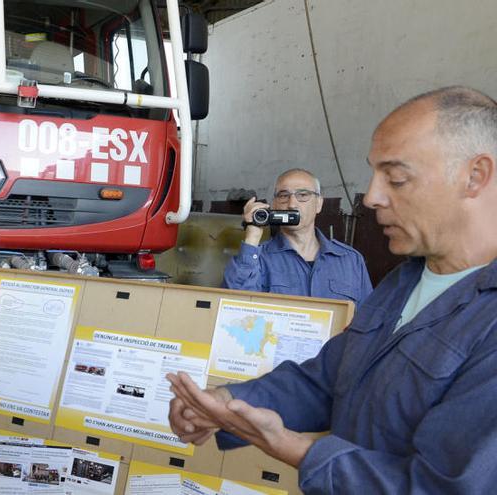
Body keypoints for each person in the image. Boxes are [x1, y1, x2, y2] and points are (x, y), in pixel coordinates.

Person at [168, 86, 497, 493]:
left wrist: (299, 451)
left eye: (396, 178)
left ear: (475, 176)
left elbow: (442, 487)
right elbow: (326, 380)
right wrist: (223, 402)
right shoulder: (404, 279)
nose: (373, 197)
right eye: (375, 176)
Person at [222, 168, 372, 304]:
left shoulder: (351, 260)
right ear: (274, 205)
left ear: (319, 204)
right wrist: (252, 236)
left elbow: (368, 321)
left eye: (303, 195)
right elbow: (234, 309)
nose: (292, 204)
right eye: (283, 195)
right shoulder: (257, 259)